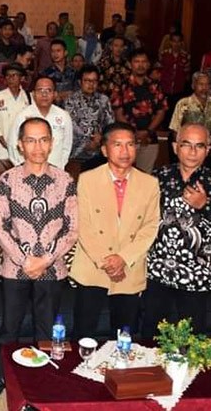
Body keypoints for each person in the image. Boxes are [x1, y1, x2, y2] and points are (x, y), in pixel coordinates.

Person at [0, 117, 78, 398]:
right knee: (9, 328)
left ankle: (43, 380)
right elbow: (0, 227)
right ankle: (3, 376)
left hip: (52, 269)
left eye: (44, 140)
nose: (38, 147)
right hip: (15, 268)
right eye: (31, 140)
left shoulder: (65, 180)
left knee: (46, 330)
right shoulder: (7, 180)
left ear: (52, 143)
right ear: (20, 145)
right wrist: (25, 260)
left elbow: (72, 228)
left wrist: (45, 260)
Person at [142, 123, 211, 337]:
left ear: (208, 149)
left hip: (195, 275)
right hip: (157, 271)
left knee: (190, 342)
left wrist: (205, 206)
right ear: (175, 147)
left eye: (199, 146)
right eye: (186, 144)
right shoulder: (157, 178)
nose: (193, 152)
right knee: (150, 338)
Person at [70, 121, 160, 341]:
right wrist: (108, 262)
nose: (125, 151)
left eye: (130, 144)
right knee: (83, 334)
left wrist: (123, 259)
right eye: (117, 144)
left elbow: (150, 227)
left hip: (129, 268)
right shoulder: (88, 179)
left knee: (123, 336)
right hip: (93, 267)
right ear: (104, 149)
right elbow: (83, 225)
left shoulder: (149, 183)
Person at [112, 50, 168, 173]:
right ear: (130, 64)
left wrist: (147, 132)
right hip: (126, 139)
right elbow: (118, 113)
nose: (140, 65)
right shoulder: (121, 85)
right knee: (123, 174)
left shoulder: (156, 86)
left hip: (150, 139)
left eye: (143, 62)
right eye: (137, 61)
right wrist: (134, 133)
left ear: (148, 64)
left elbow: (161, 112)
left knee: (145, 176)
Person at [7, 77, 73, 170]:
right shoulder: (22, 116)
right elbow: (12, 145)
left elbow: (67, 146)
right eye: (40, 90)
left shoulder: (64, 116)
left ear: (55, 94)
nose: (44, 94)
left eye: (48, 90)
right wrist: (22, 169)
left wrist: (59, 169)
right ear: (33, 94)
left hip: (55, 171)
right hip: (27, 172)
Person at [168, 72, 211, 152]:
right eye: (201, 84)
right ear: (193, 86)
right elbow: (175, 129)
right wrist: (181, 150)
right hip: (189, 148)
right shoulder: (183, 104)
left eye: (207, 84)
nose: (204, 88)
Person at [64, 66, 115, 162]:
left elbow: (110, 124)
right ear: (80, 82)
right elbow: (71, 126)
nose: (91, 84)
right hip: (77, 152)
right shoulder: (71, 101)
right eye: (87, 81)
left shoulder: (104, 100)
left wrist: (100, 139)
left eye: (94, 81)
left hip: (101, 150)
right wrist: (87, 142)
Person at [0, 63, 30, 162]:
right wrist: (7, 145)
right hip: (2, 150)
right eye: (8, 76)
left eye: (14, 75)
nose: (10, 78)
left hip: (23, 151)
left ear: (21, 78)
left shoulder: (29, 98)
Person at [159, 32, 191, 98]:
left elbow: (187, 75)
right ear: (170, 42)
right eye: (174, 41)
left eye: (178, 41)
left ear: (181, 42)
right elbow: (159, 71)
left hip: (179, 90)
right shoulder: (164, 54)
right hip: (165, 89)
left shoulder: (185, 56)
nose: (176, 44)